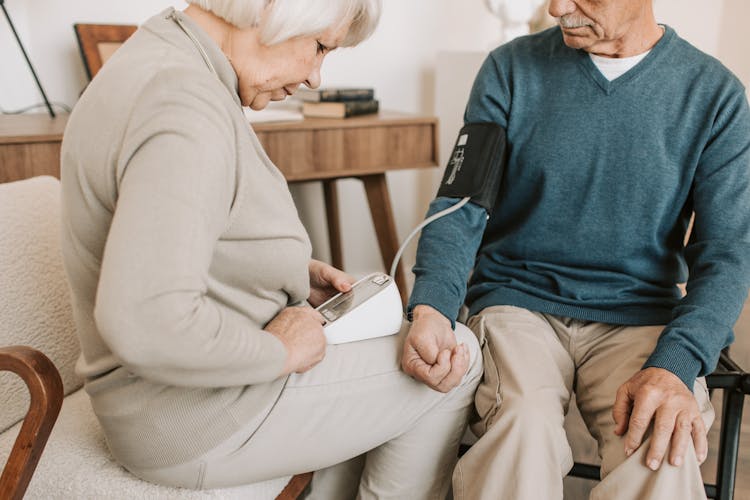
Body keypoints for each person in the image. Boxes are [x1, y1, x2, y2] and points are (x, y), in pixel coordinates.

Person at [59, 1, 482, 497]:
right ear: (274, 9)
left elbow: (164, 229)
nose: (316, 78)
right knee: (459, 355)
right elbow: (145, 320)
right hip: (190, 417)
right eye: (320, 47)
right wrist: (278, 351)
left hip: (166, 402)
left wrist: (277, 269)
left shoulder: (162, 56)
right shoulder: (184, 107)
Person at [403, 0, 750, 498]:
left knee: (660, 442)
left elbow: (727, 252)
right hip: (519, 303)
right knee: (520, 425)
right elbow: (460, 205)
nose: (556, 8)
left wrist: (677, 363)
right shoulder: (510, 69)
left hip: (641, 316)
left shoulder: (715, 95)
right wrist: (432, 305)